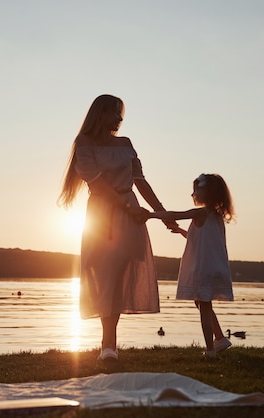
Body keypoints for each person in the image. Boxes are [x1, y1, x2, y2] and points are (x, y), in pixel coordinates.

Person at [58, 94, 179, 361]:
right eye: (116, 112)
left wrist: (161, 211)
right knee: (106, 275)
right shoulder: (84, 143)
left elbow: (140, 181)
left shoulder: (126, 144)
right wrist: (127, 207)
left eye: (121, 114)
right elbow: (98, 183)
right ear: (101, 113)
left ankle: (110, 344)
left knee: (120, 276)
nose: (120, 119)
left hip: (130, 213)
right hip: (102, 214)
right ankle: (108, 345)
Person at [148, 173, 235, 358]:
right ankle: (220, 338)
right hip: (214, 267)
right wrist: (180, 230)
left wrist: (151, 215)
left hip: (203, 268)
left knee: (204, 306)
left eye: (196, 190)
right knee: (201, 302)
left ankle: (210, 350)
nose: (192, 194)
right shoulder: (216, 217)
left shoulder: (201, 213)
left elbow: (174, 214)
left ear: (207, 193)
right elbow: (199, 239)